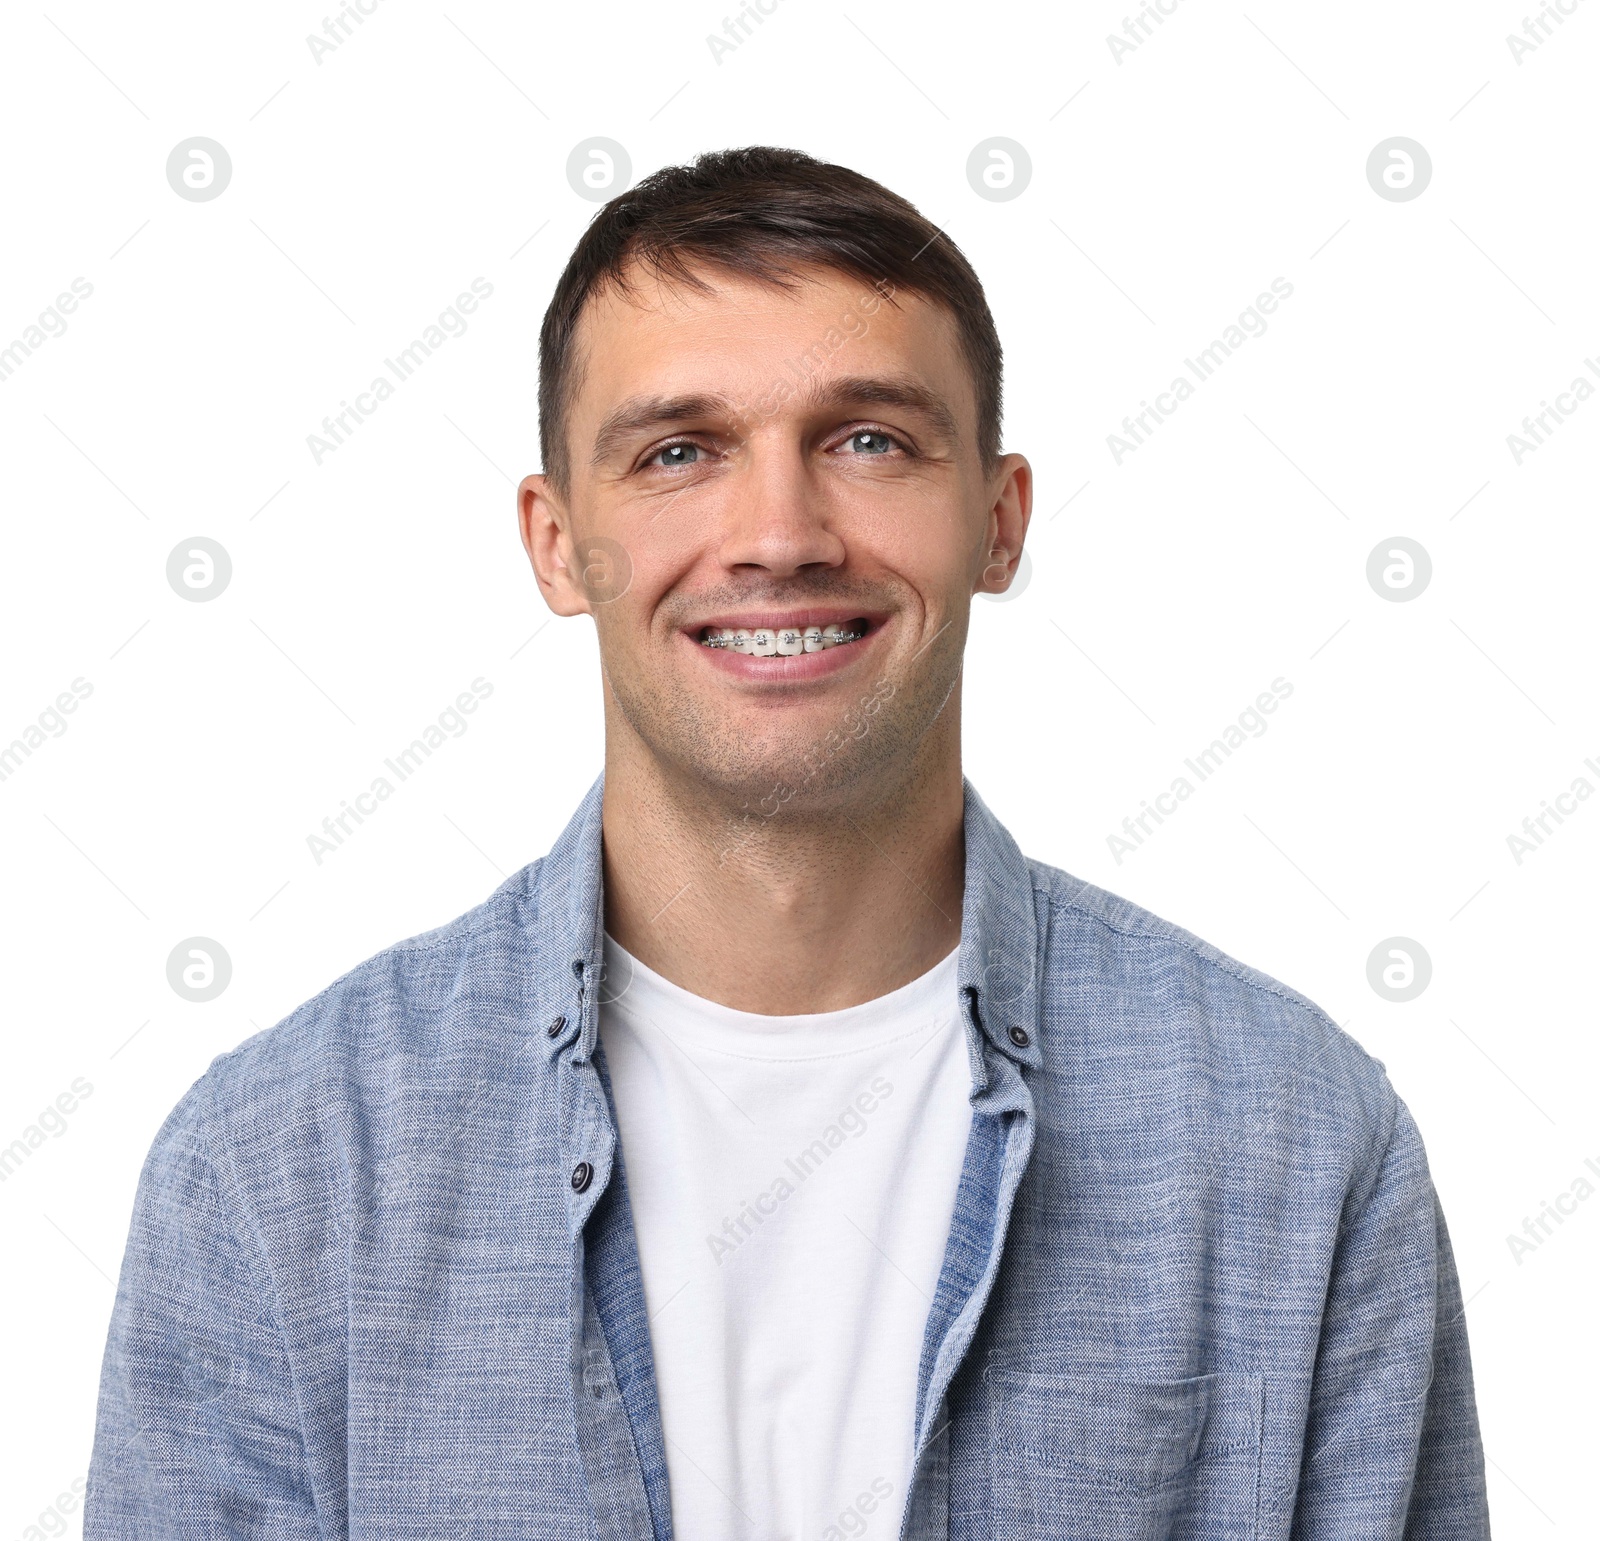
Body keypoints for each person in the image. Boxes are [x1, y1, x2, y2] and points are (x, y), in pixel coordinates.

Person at [86, 146, 1489, 1539]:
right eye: (679, 451)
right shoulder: (279, 1172)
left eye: (868, 439)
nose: (778, 533)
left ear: (997, 523)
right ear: (557, 542)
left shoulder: (1298, 1145)